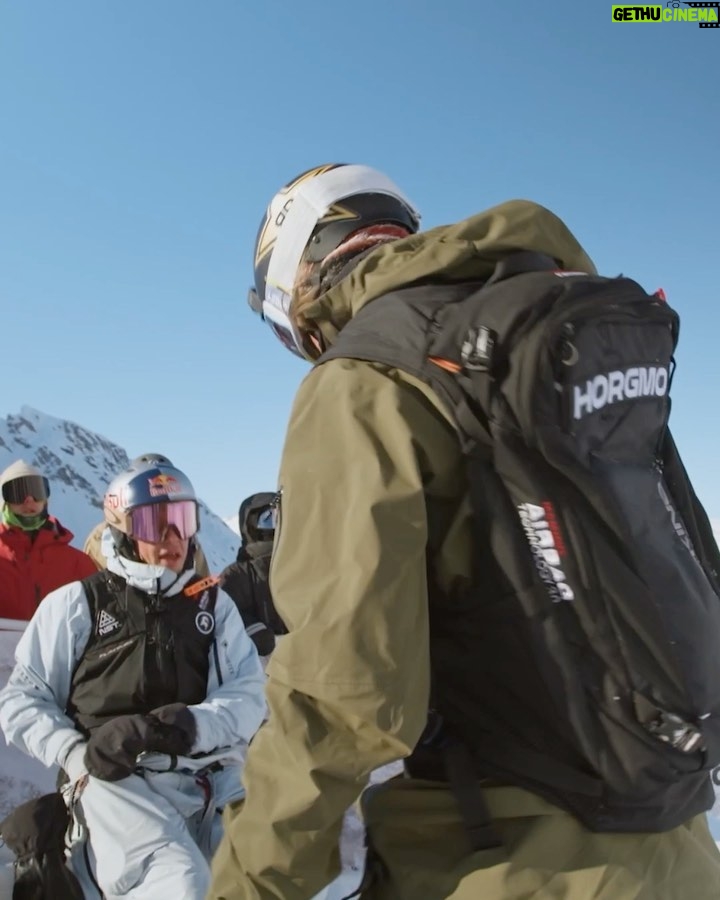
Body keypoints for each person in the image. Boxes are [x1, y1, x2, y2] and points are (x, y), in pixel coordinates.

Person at [208, 163, 720, 900]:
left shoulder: (366, 379)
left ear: (299, 279)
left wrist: (250, 882)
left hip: (508, 861)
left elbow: (341, 700)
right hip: (675, 842)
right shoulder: (545, 346)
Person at [0, 454, 266, 900]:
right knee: (181, 883)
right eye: (153, 523)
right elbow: (22, 700)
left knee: (261, 879)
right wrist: (77, 753)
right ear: (123, 529)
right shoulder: (78, 605)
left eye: (182, 519)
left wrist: (193, 725)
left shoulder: (212, 607)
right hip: (114, 781)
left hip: (206, 776)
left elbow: (249, 694)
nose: (172, 537)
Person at [83, 453, 211, 578]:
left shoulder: (192, 552)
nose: (172, 538)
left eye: (182, 522)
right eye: (152, 525)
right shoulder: (100, 544)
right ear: (124, 535)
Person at [0, 459, 97, 622]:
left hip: (61, 648)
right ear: (5, 503)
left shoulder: (78, 563)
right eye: (17, 492)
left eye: (36, 491)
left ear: (46, 501)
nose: (28, 500)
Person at [220, 491, 286, 656]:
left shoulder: (297, 566)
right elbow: (225, 616)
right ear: (249, 524)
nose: (274, 525)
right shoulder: (235, 576)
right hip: (255, 665)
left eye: (279, 518)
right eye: (267, 519)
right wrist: (254, 632)